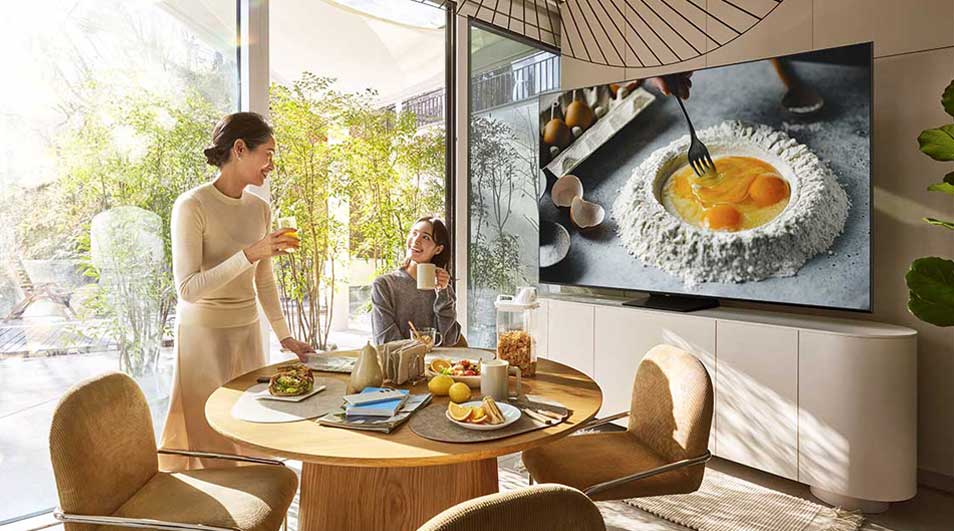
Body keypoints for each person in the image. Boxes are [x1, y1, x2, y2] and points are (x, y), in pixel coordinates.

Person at [160, 112, 315, 470]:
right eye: (268, 154)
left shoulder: (260, 209)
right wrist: (250, 253)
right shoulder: (192, 205)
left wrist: (285, 336)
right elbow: (188, 289)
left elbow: (264, 280)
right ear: (240, 149)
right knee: (209, 438)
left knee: (249, 428)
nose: (272, 164)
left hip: (247, 332)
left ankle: (257, 498)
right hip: (203, 337)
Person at [371, 216, 462, 347]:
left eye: (425, 237)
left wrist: (443, 293)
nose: (416, 240)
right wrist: (420, 351)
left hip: (437, 360)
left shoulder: (443, 289)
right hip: (399, 360)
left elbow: (449, 340)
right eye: (414, 233)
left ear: (438, 249)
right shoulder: (384, 285)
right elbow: (386, 341)